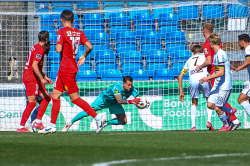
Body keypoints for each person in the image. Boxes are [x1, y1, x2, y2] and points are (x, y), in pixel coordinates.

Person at [38, 10, 105, 134]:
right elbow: (90, 46)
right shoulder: (79, 32)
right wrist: (84, 55)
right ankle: (52, 125)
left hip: (66, 69)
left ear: (61, 20)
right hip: (68, 68)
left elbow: (58, 50)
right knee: (55, 95)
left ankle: (98, 117)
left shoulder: (61, 31)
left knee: (74, 98)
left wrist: (58, 43)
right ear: (73, 21)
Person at [62, 76, 147, 133]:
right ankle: (70, 123)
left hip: (114, 103)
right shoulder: (116, 87)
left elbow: (138, 100)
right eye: (128, 85)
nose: (130, 87)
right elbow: (120, 100)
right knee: (87, 111)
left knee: (123, 121)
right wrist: (132, 101)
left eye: (131, 85)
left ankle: (106, 123)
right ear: (123, 84)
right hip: (103, 100)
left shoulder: (132, 89)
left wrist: (143, 104)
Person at [196, 23, 240, 130]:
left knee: (218, 105)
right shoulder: (217, 49)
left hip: (216, 77)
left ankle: (230, 122)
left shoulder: (208, 45)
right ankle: (231, 113)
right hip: (216, 79)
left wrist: (201, 68)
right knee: (211, 104)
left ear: (203, 31)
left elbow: (210, 62)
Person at [17, 31, 52, 132]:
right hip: (31, 78)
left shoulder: (36, 47)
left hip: (34, 77)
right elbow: (34, 65)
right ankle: (21, 126)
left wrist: (44, 76)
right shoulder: (40, 49)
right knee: (32, 103)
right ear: (46, 39)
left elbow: (35, 66)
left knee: (47, 98)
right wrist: (41, 78)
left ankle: (38, 121)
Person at [200, 34, 234, 131]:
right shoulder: (216, 54)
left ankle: (226, 125)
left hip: (224, 86)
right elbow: (220, 69)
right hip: (218, 84)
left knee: (217, 108)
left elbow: (221, 72)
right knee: (210, 104)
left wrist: (208, 78)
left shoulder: (220, 54)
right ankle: (230, 111)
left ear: (211, 43)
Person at [178, 45, 212, 131]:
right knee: (209, 100)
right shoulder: (205, 57)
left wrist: (181, 92)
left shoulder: (189, 60)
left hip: (193, 80)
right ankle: (209, 121)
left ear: (193, 52)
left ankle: (193, 126)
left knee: (194, 103)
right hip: (204, 79)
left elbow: (180, 76)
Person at [232, 34, 250, 129]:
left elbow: (248, 61)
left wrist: (238, 68)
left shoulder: (248, 49)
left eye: (239, 42)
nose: (239, 44)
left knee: (241, 99)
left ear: (242, 41)